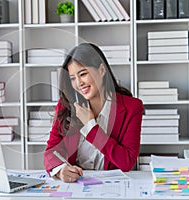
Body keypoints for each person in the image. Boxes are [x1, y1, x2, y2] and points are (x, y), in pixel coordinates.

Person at [43, 43, 144, 183]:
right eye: (73, 78)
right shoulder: (66, 106)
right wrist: (60, 170)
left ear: (102, 70)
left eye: (83, 74)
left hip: (112, 187)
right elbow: (50, 152)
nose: (79, 83)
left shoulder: (132, 107)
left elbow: (127, 162)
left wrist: (91, 127)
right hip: (77, 187)